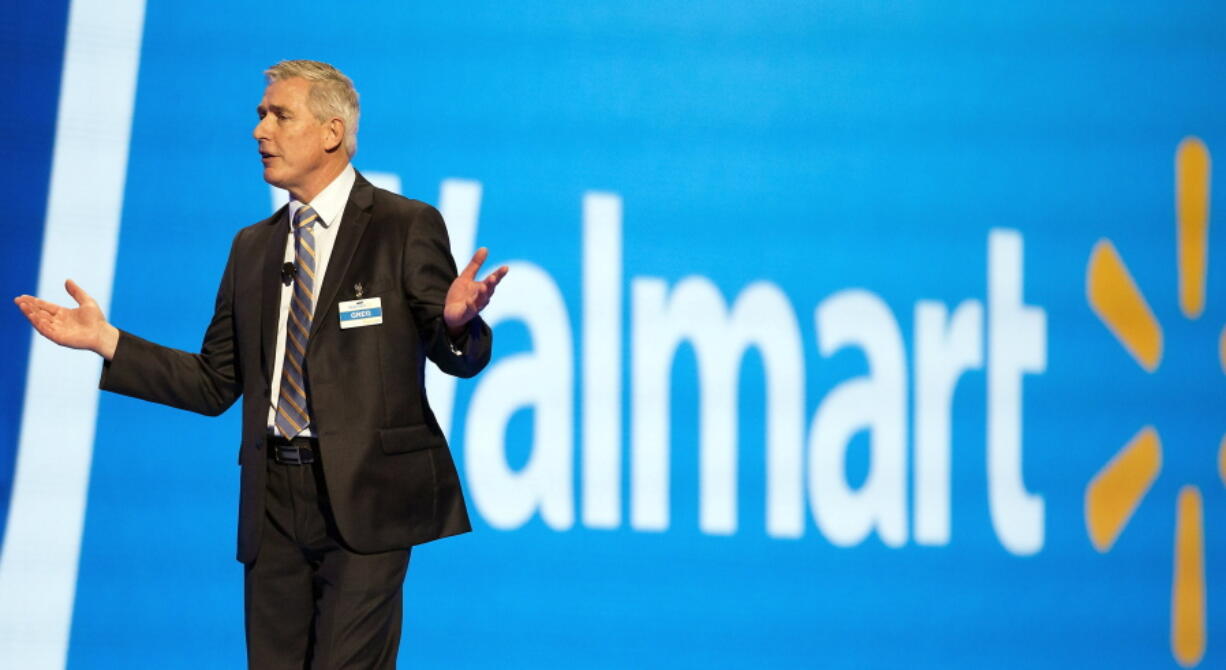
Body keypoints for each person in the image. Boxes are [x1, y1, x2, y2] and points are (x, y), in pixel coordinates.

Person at [14, 59, 506, 668]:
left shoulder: (404, 227)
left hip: (366, 499)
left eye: (279, 115)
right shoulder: (254, 246)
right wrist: (109, 341)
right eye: (259, 115)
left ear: (330, 132)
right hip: (272, 502)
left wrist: (458, 323)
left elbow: (454, 350)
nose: (260, 131)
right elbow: (215, 381)